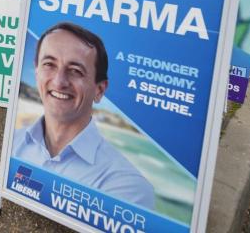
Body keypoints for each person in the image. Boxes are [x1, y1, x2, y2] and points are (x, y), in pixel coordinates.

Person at [12, 22, 155, 209]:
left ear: (99, 90)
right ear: (37, 71)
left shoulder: (128, 187)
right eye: (49, 64)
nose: (59, 81)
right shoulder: (12, 142)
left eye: (75, 71)